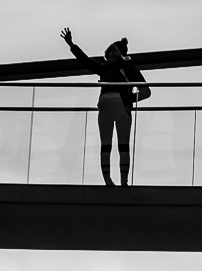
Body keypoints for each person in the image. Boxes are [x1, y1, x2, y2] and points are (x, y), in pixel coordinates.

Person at [60, 27, 148, 186]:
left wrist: (127, 99)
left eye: (113, 52)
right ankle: (114, 182)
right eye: (109, 53)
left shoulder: (123, 69)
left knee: (116, 145)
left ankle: (119, 182)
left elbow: (146, 91)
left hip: (111, 105)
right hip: (117, 107)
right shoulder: (117, 69)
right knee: (114, 145)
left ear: (120, 53)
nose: (110, 55)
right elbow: (86, 61)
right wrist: (72, 45)